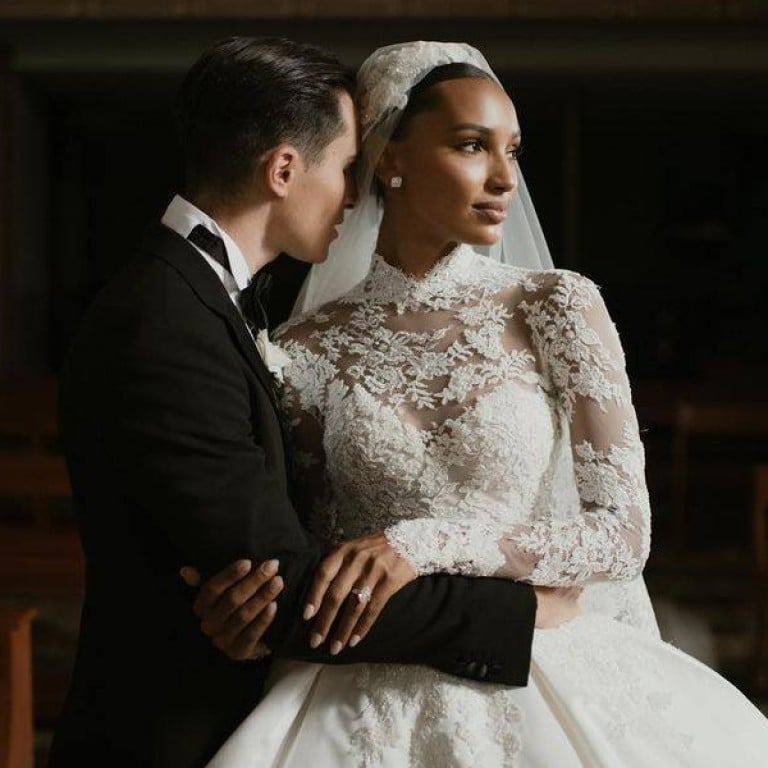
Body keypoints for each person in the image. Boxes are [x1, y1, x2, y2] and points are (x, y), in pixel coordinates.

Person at [199, 41, 768, 767]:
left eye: (513, 150)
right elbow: (305, 542)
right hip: (360, 688)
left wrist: (424, 542)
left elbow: (623, 534)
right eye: (472, 146)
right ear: (390, 159)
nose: (504, 178)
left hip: (544, 660)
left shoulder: (556, 306)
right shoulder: (300, 347)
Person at [48, 37, 550, 768]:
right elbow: (281, 590)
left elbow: (269, 561)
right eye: (347, 169)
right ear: (284, 169)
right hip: (163, 732)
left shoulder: (199, 298)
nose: (356, 196)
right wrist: (524, 611)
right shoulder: (164, 322)